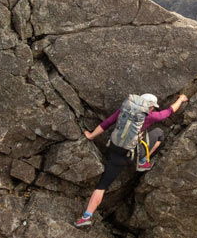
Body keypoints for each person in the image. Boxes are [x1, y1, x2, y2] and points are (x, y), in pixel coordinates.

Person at [74, 90, 189, 227]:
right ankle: (142, 161)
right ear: (150, 107)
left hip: (114, 150)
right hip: (128, 155)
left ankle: (86, 216)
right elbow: (170, 111)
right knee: (159, 133)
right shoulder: (151, 116)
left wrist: (91, 135)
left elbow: (107, 123)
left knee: (102, 186)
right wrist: (181, 99)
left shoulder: (124, 110)